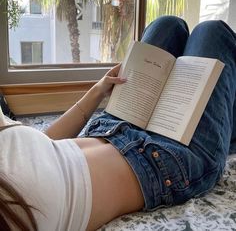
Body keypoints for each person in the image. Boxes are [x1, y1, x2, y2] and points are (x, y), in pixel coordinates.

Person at [0, 15, 235, 231]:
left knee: (167, 26)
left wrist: (97, 91)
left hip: (110, 126)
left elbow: (39, 146)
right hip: (164, 162)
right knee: (213, 32)